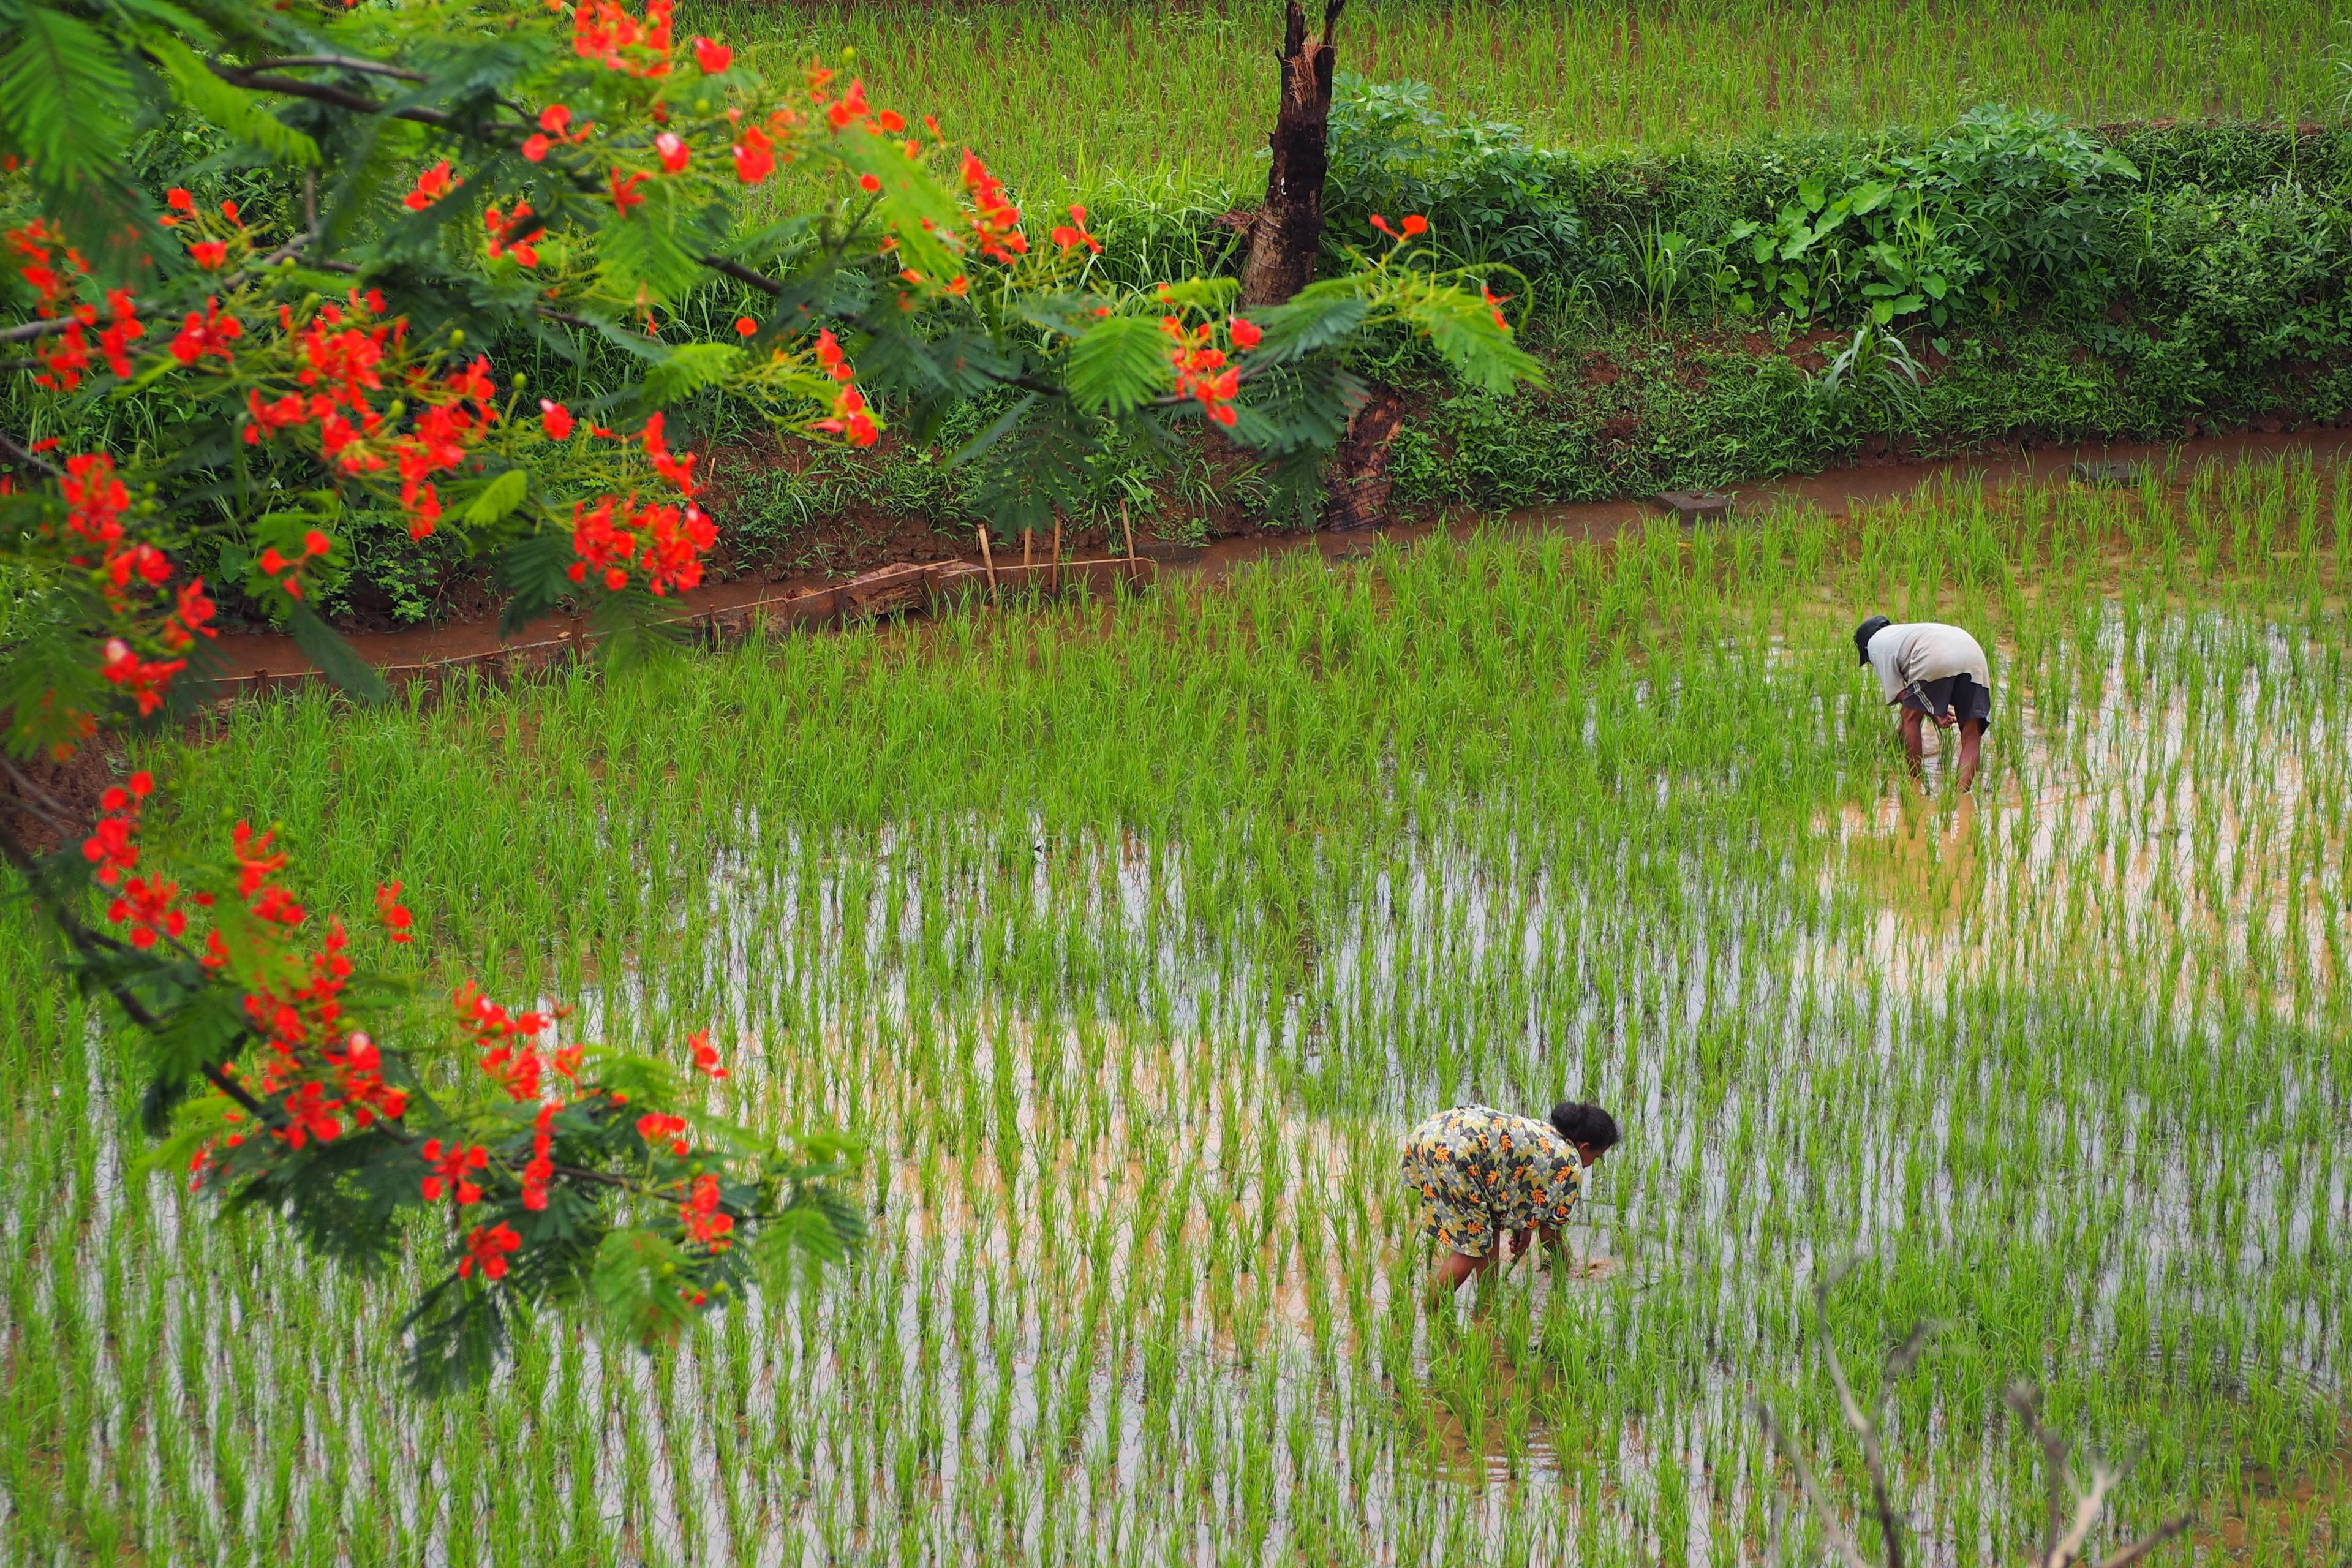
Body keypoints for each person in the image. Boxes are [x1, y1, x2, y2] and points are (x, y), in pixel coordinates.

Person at [1401, 1100, 1618, 1301]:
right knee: (1473, 1246)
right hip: (1459, 1153)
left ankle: (1487, 1302)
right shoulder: (1572, 1165)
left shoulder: (1546, 1133)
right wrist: (1563, 1257)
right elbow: (1548, 1235)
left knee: (1486, 1226)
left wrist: (1523, 1229)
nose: (1592, 1163)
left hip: (1433, 1132)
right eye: (1597, 1157)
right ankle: (1431, 1309)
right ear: (1584, 1148)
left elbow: (1518, 1185)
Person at [1853, 614, 1992, 791]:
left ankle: (1914, 784)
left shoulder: (1875, 646)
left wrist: (1934, 713)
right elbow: (1918, 698)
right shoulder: (1904, 635)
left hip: (1937, 655)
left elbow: (1903, 697)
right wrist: (1935, 713)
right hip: (1974, 654)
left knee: (1908, 715)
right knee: (1972, 734)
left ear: (1865, 648)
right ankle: (1959, 799)